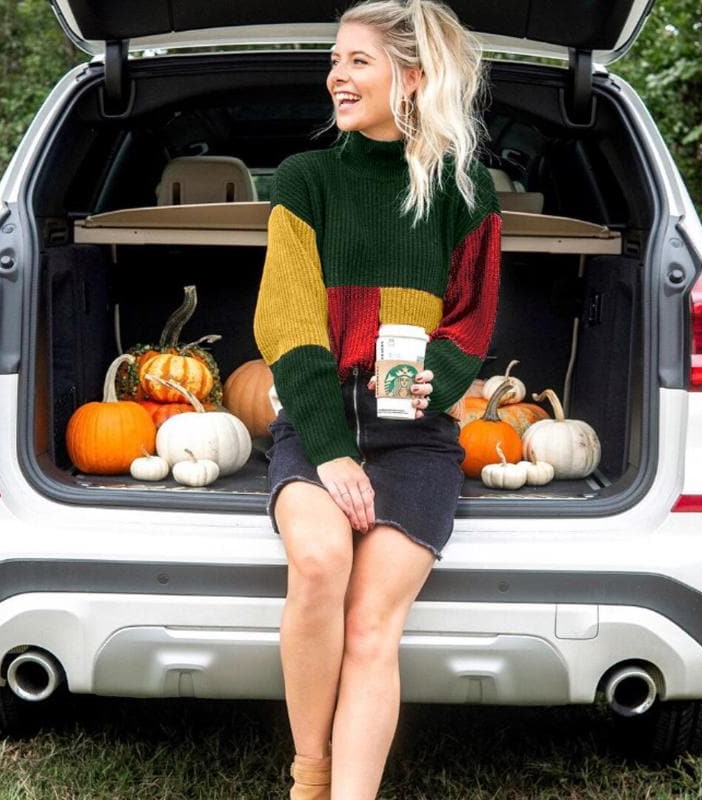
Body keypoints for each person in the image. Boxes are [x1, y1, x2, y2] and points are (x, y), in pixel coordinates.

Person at [253, 1, 502, 797]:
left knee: (370, 626)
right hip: (318, 419)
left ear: (412, 77)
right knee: (320, 562)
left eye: (357, 60)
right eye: (335, 60)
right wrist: (330, 449)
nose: (336, 75)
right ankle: (310, 774)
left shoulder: (465, 189)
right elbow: (289, 324)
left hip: (417, 436)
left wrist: (441, 379)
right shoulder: (306, 179)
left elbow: (472, 316)